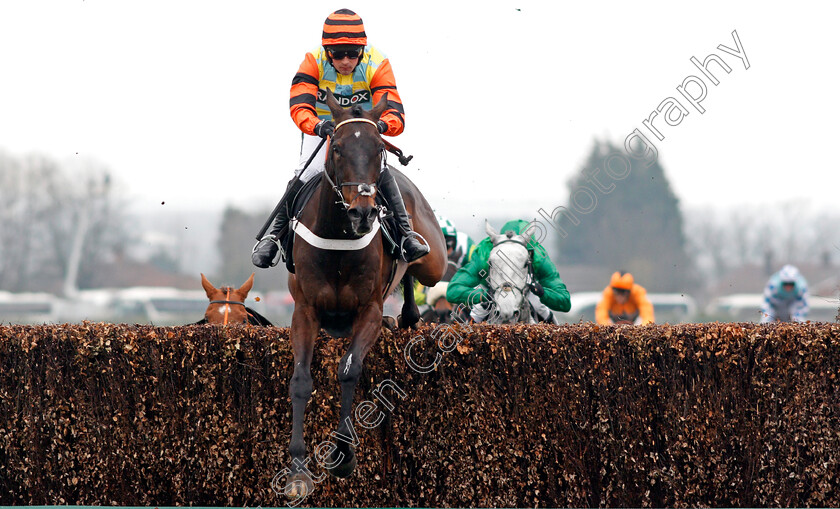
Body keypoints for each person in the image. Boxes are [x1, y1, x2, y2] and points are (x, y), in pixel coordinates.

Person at [252, 8, 428, 269]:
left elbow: (395, 111)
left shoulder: (378, 63)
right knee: (308, 170)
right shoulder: (312, 62)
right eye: (338, 54)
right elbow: (299, 106)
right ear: (326, 52)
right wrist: (316, 125)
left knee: (379, 168)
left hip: (363, 130)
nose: (346, 60)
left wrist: (382, 125)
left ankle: (406, 234)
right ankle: (274, 237)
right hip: (324, 128)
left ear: (362, 51)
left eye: (353, 53)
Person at [446, 219, 571, 323]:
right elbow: (452, 291)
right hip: (491, 290)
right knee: (478, 312)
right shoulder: (484, 255)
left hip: (527, 290)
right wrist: (483, 296)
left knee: (540, 307)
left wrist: (543, 293)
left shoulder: (539, 258)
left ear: (530, 251)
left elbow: (565, 302)